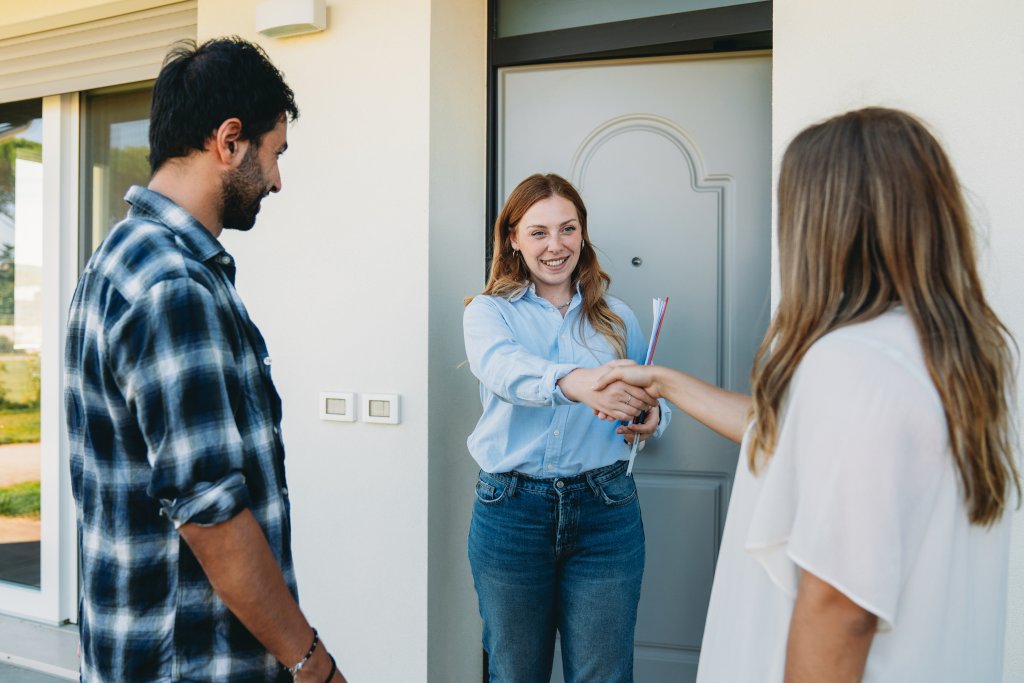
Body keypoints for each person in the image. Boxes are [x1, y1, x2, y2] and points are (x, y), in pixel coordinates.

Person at [594, 107, 1019, 682]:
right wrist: (665, 382)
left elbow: (841, 607)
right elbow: (791, 435)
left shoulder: (852, 365)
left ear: (827, 224)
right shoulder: (963, 355)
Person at [65, 38, 346, 682]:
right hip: (190, 663)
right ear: (229, 140)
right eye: (275, 154)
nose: (276, 180)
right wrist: (312, 664)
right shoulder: (173, 284)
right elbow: (211, 514)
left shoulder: (120, 257)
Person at [463, 173, 671, 682]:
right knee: (514, 673)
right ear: (513, 238)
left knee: (605, 674)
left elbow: (653, 395)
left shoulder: (618, 317)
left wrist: (652, 416)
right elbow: (505, 371)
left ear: (582, 233)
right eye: (538, 232)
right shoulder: (488, 313)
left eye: (568, 229)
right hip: (511, 511)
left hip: (606, 511)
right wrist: (580, 383)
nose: (555, 246)